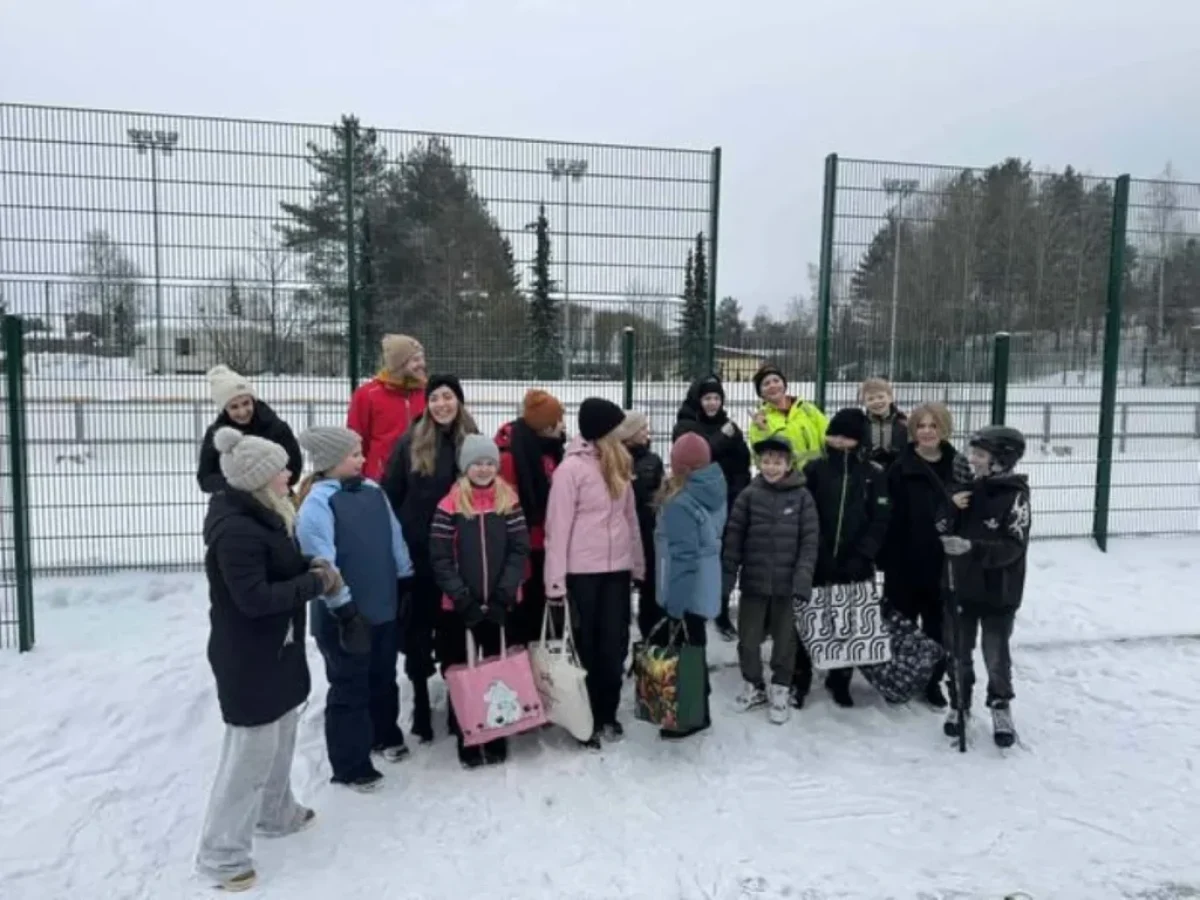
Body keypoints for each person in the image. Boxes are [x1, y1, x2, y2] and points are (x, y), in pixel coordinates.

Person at [196, 427, 340, 893]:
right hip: (250, 658)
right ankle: (221, 855)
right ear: (259, 479)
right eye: (281, 469)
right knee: (249, 756)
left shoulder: (268, 513)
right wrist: (315, 585)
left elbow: (278, 569)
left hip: (278, 649)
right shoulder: (237, 531)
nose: (290, 474)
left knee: (281, 736)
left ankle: (275, 814)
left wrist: (309, 569)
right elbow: (255, 598)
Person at [295, 426, 415, 793]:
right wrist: (344, 609)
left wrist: (405, 575)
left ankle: (385, 733)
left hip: (381, 605)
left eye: (361, 452)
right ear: (331, 462)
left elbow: (393, 537)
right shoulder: (318, 502)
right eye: (354, 454)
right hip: (344, 616)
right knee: (349, 684)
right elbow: (322, 562)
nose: (363, 459)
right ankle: (350, 763)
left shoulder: (374, 491)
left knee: (383, 675)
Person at [381, 375, 478, 744]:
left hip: (459, 552)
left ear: (459, 401)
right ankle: (421, 701)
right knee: (418, 629)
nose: (441, 404)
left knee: (455, 627)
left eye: (448, 396)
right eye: (434, 397)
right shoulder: (409, 442)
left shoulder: (472, 439)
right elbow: (391, 495)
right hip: (419, 552)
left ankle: (458, 702)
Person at [544, 397, 645, 749]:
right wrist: (555, 582)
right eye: (615, 427)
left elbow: (629, 520)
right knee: (586, 646)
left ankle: (608, 713)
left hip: (616, 570)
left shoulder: (619, 463)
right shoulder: (570, 471)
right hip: (581, 573)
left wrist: (638, 564)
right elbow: (557, 528)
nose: (621, 433)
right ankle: (585, 718)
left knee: (614, 644)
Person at [430, 435, 531, 768]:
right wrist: (462, 599)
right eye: (477, 463)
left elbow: (519, 550)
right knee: (464, 671)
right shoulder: (450, 505)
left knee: (496, 668)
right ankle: (468, 733)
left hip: (500, 602)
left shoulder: (509, 502)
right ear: (465, 467)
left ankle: (496, 731)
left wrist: (504, 594)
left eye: (489, 462)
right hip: (461, 606)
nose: (484, 469)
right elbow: (441, 557)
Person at [938, 425, 1031, 748]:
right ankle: (959, 704)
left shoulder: (1015, 497)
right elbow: (939, 524)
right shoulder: (965, 488)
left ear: (1001, 460)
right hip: (960, 585)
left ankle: (1000, 705)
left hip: (998, 591)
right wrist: (951, 506)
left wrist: (972, 548)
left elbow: (1013, 546)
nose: (972, 459)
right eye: (972, 453)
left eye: (979, 455)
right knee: (958, 651)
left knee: (995, 654)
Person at [793, 408, 890, 709]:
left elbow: (881, 518)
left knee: (848, 622)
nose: (837, 441)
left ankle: (840, 678)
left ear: (858, 440)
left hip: (856, 563)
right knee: (808, 620)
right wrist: (817, 551)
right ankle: (800, 677)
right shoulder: (814, 469)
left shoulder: (873, 474)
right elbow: (804, 513)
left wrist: (863, 555)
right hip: (817, 559)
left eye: (845, 437)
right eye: (834, 434)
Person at [722, 434, 819, 725]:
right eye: (766, 461)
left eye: (778, 462)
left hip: (787, 586)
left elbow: (809, 541)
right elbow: (734, 539)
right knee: (748, 641)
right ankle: (754, 684)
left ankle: (781, 687)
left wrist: (803, 577)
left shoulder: (802, 497)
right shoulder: (749, 495)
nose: (771, 467)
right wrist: (728, 579)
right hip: (754, 583)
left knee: (785, 642)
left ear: (789, 464)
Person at [881, 403, 958, 708]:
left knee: (937, 625)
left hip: (942, 562)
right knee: (902, 626)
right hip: (904, 559)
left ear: (943, 429)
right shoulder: (899, 468)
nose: (927, 432)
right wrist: (887, 557)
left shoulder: (958, 466)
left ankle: (932, 681)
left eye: (933, 426)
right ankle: (900, 677)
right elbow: (887, 515)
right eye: (921, 426)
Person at [653, 433, 727, 740]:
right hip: (706, 583)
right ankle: (700, 707)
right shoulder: (713, 489)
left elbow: (684, 557)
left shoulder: (681, 504)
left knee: (686, 651)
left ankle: (692, 716)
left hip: (686, 589)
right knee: (695, 645)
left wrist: (675, 604)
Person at [672, 374, 752, 640]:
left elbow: (742, 462)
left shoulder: (729, 426)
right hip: (698, 502)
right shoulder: (686, 425)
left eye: (717, 398)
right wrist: (722, 437)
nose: (712, 403)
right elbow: (697, 457)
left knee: (725, 557)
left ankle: (720, 609)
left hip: (727, 498)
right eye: (707, 398)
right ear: (698, 399)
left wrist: (739, 494)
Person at [495, 389, 566, 646]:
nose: (563, 424)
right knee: (527, 612)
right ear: (544, 425)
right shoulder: (512, 456)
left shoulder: (553, 449)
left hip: (549, 540)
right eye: (558, 419)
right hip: (526, 544)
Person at [197, 364, 302, 495]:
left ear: (254, 401)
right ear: (224, 410)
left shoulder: (276, 427)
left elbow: (294, 469)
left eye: (246, 403)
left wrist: (263, 486)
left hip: (276, 498)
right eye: (234, 407)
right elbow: (205, 479)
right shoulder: (216, 435)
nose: (242, 412)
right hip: (235, 502)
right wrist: (240, 485)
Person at [347, 334, 428, 482]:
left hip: (421, 475)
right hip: (381, 478)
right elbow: (356, 439)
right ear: (399, 364)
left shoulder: (429, 393)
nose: (422, 364)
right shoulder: (368, 395)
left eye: (422, 358)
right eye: (415, 360)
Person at [614, 410, 665, 642]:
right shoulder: (613, 460)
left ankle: (652, 644)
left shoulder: (653, 461)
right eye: (642, 428)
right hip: (621, 533)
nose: (647, 432)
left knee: (651, 590)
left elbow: (661, 494)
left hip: (648, 531)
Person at [747, 364, 828, 469]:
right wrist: (762, 431)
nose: (772, 385)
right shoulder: (760, 420)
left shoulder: (807, 409)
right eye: (766, 384)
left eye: (776, 381)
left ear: (784, 385)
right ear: (761, 393)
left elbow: (827, 435)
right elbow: (760, 459)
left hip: (817, 476)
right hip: (785, 480)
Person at [860, 378, 909, 469]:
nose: (876, 401)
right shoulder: (861, 423)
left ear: (890, 398)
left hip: (898, 469)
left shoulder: (902, 422)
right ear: (864, 403)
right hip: (870, 471)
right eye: (870, 399)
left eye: (881, 397)